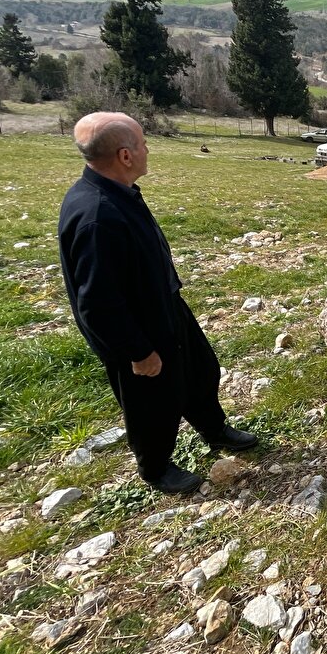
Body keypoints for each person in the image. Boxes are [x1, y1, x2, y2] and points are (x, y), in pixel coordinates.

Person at [58, 112, 256, 493]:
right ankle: (155, 467)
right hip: (137, 330)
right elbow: (97, 302)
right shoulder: (97, 215)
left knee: (200, 371)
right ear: (125, 156)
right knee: (151, 402)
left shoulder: (117, 191)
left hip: (165, 307)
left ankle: (214, 430)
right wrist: (138, 351)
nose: (148, 149)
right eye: (143, 143)